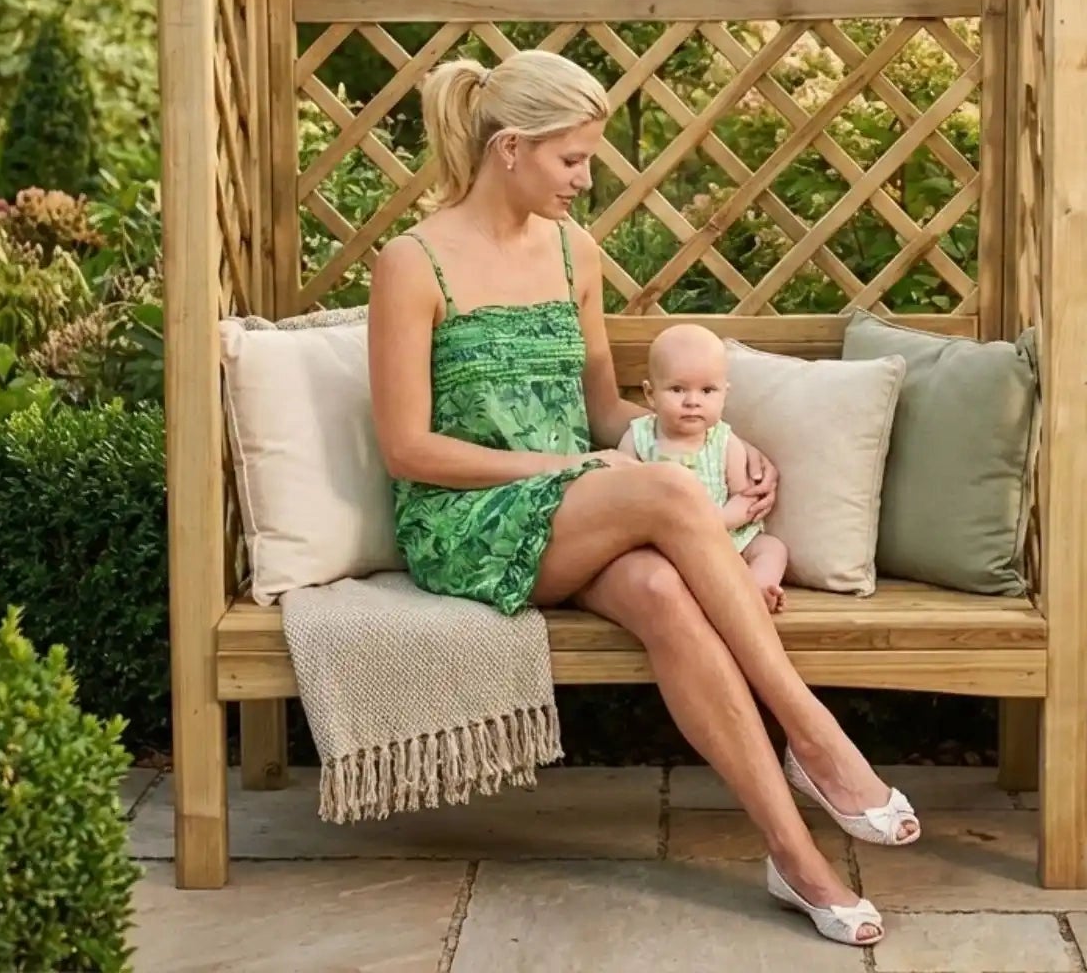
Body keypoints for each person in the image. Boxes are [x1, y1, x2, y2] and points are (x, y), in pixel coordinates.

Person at [367, 49, 919, 948]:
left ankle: (793, 856)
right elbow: (409, 447)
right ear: (510, 147)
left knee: (664, 593)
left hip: (578, 510)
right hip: (466, 520)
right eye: (572, 159)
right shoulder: (413, 262)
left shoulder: (572, 251)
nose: (586, 180)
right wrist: (578, 474)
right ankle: (816, 737)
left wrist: (724, 449)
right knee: (655, 493)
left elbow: (601, 412)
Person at [619, 322, 789, 613]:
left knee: (772, 548)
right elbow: (623, 495)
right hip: (664, 544)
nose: (692, 401)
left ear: (725, 393)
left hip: (724, 536)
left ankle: (756, 589)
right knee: (645, 568)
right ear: (650, 394)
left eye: (707, 390)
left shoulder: (724, 441)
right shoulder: (638, 437)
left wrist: (714, 523)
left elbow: (744, 496)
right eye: (677, 389)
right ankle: (705, 593)